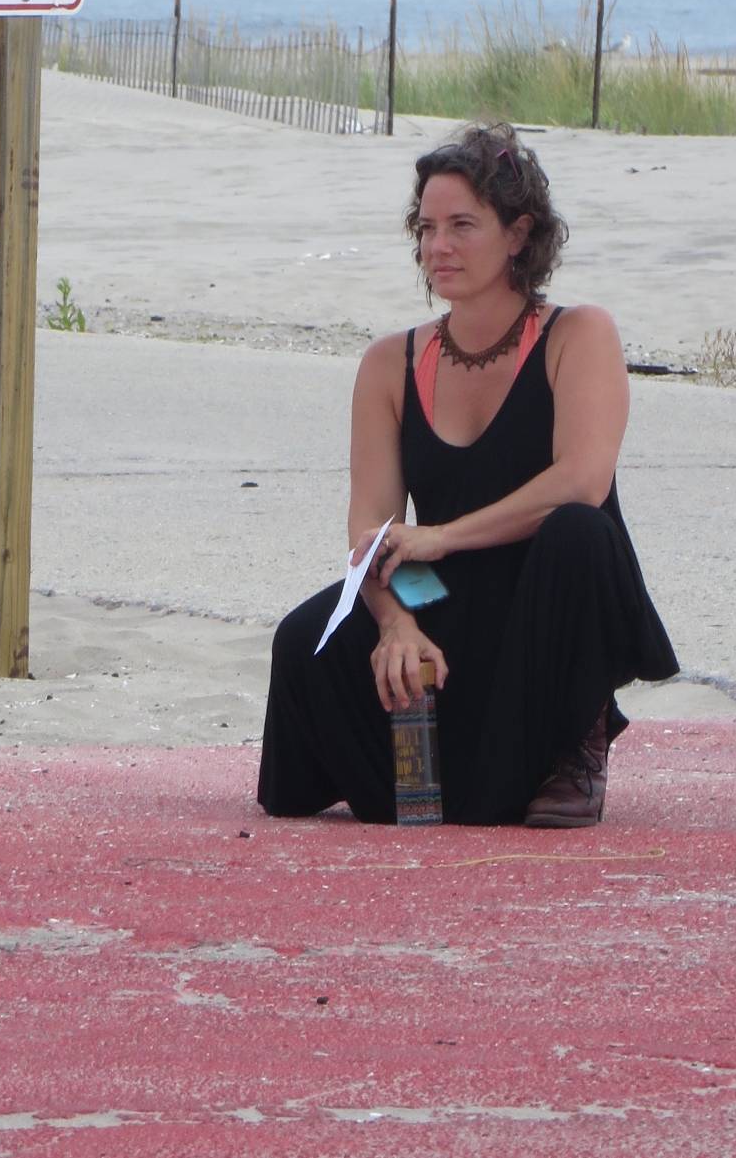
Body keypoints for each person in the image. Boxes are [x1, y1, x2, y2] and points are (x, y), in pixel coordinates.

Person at [257, 121, 678, 827]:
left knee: (581, 532)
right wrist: (395, 623)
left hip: (546, 594)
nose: (437, 247)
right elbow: (373, 529)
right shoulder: (389, 363)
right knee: (303, 641)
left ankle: (578, 739)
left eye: (461, 226)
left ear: (518, 234)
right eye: (426, 228)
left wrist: (442, 536)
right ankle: (442, 765)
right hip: (440, 590)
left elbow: (582, 481)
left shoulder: (579, 335)